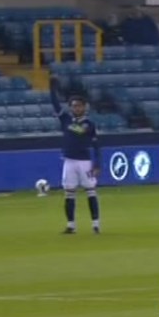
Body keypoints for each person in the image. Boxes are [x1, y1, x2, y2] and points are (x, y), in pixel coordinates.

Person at [50, 77, 101, 234]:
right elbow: (55, 104)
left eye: (79, 106)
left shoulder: (89, 124)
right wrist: (52, 89)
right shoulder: (65, 119)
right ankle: (71, 225)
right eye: (73, 106)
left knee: (90, 190)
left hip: (84, 161)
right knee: (69, 192)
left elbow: (96, 145)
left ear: (84, 107)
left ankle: (95, 224)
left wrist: (97, 164)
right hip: (69, 160)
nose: (76, 108)